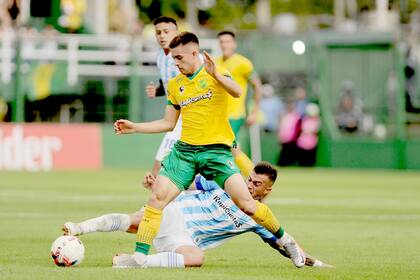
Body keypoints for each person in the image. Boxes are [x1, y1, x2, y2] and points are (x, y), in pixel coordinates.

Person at [113, 32, 305, 268]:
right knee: (156, 199)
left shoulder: (215, 71)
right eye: (173, 58)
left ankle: (287, 241)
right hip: (185, 153)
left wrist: (216, 74)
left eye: (180, 58)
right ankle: (139, 259)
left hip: (216, 152)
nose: (176, 63)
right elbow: (168, 123)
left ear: (194, 53)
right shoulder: (176, 84)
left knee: (247, 205)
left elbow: (237, 91)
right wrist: (135, 127)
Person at [63, 163, 329, 268]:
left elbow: (285, 245)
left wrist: (314, 263)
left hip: (186, 238)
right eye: (249, 180)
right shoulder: (226, 181)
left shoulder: (257, 218)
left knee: (196, 258)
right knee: (134, 222)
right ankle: (79, 228)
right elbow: (184, 183)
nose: (249, 185)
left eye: (257, 184)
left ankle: (135, 262)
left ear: (268, 189)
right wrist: (158, 185)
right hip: (175, 215)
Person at [216, 31, 263, 177]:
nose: (225, 45)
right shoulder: (216, 62)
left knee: (229, 147)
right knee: (232, 147)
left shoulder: (243, 63)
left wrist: (254, 111)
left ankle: (255, 178)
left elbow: (257, 86)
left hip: (235, 114)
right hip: (219, 115)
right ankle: (251, 178)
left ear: (234, 44)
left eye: (228, 41)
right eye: (222, 42)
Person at [143, 16, 182, 176]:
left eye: (166, 31)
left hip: (187, 117)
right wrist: (158, 90)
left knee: (158, 168)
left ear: (177, 33)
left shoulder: (182, 55)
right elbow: (167, 83)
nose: (162, 36)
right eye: (158, 32)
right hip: (175, 117)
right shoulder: (160, 56)